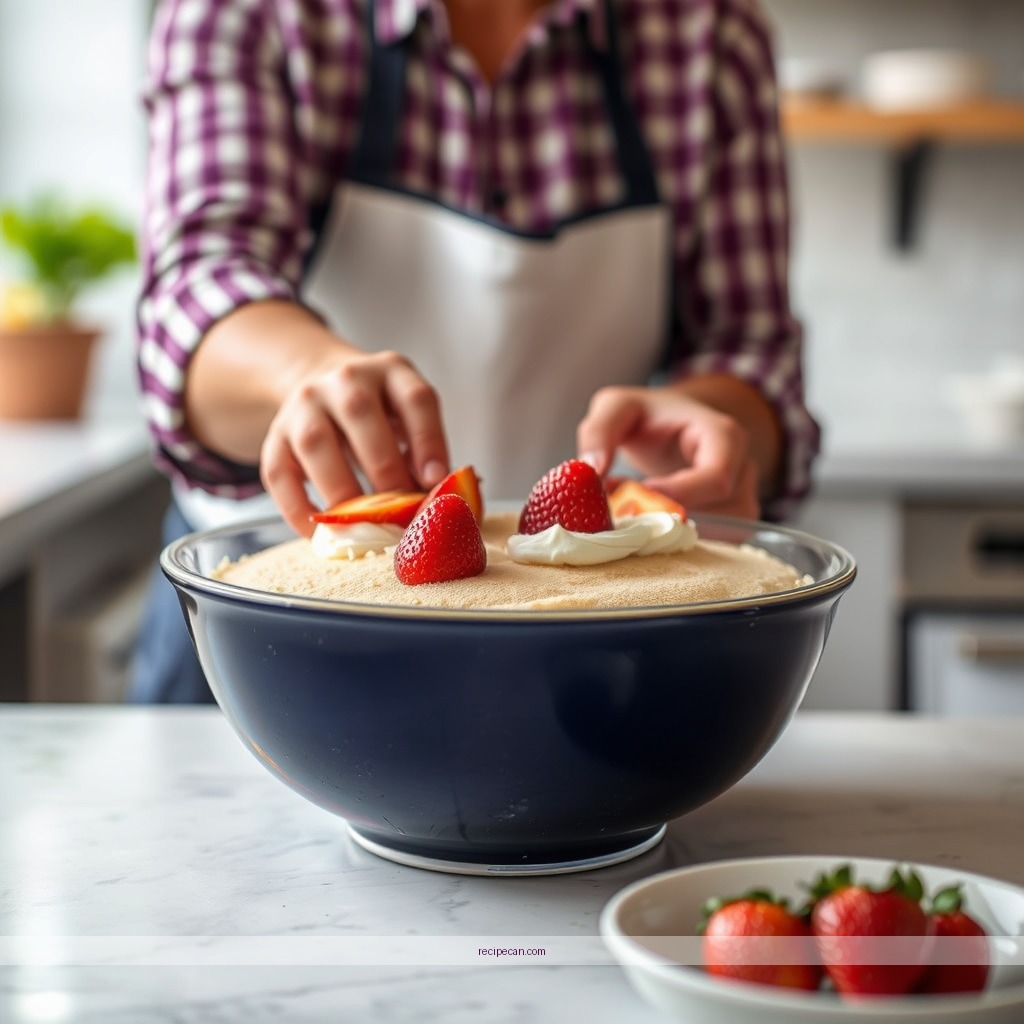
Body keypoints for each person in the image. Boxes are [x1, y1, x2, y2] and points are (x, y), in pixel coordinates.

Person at [130, 0, 821, 703]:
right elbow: (196, 290)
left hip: (596, 644)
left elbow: (750, 350)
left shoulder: (709, 33)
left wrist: (713, 425)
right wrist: (305, 373)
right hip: (267, 643)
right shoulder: (250, 13)